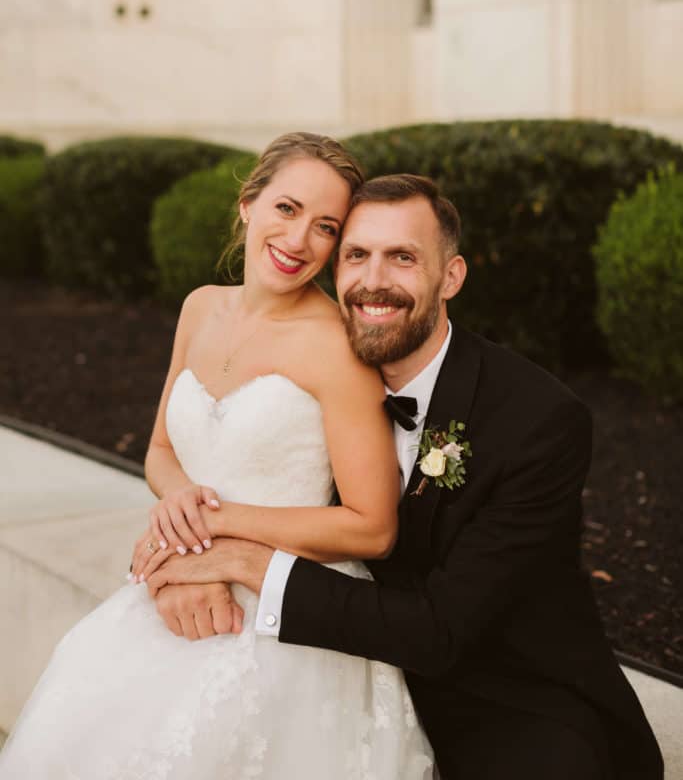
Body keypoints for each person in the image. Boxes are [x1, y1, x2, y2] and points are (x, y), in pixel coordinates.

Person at [144, 174, 664, 780]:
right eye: (357, 255)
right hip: (332, 659)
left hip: (499, 691)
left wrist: (240, 562)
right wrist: (178, 557)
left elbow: (443, 629)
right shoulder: (304, 383)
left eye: (403, 258)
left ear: (452, 277)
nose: (374, 282)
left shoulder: (538, 422)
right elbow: (216, 477)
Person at [0, 136, 434, 779]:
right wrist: (178, 504)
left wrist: (208, 528)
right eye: (286, 209)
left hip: (285, 610)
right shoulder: (199, 307)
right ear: (247, 205)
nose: (299, 240)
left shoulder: (336, 348)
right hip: (177, 582)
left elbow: (372, 526)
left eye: (326, 228)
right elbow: (161, 451)